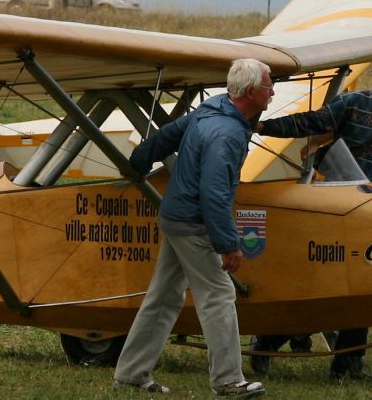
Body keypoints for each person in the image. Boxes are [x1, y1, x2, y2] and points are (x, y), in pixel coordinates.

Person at [250, 51, 372, 380]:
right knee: (322, 286)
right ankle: (267, 340)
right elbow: (311, 122)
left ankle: (348, 363)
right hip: (334, 211)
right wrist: (264, 125)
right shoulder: (352, 103)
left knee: (362, 287)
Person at [113, 59, 271, 398]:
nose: (273, 90)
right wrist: (228, 244)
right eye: (269, 85)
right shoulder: (227, 134)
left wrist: (138, 161)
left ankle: (130, 375)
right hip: (193, 224)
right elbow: (213, 192)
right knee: (218, 295)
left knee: (163, 297)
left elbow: (168, 135)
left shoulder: (213, 107)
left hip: (175, 217)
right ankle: (228, 381)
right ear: (251, 92)